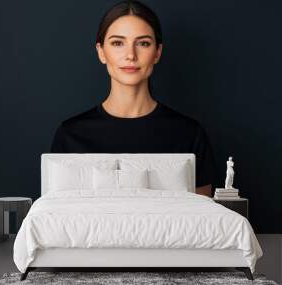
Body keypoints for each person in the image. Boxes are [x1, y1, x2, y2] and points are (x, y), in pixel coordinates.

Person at [50, 0, 216, 197]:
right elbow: (58, 216)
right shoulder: (70, 135)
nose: (130, 55)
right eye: (118, 43)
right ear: (101, 52)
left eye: (143, 43)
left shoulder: (189, 134)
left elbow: (204, 219)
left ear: (157, 53)